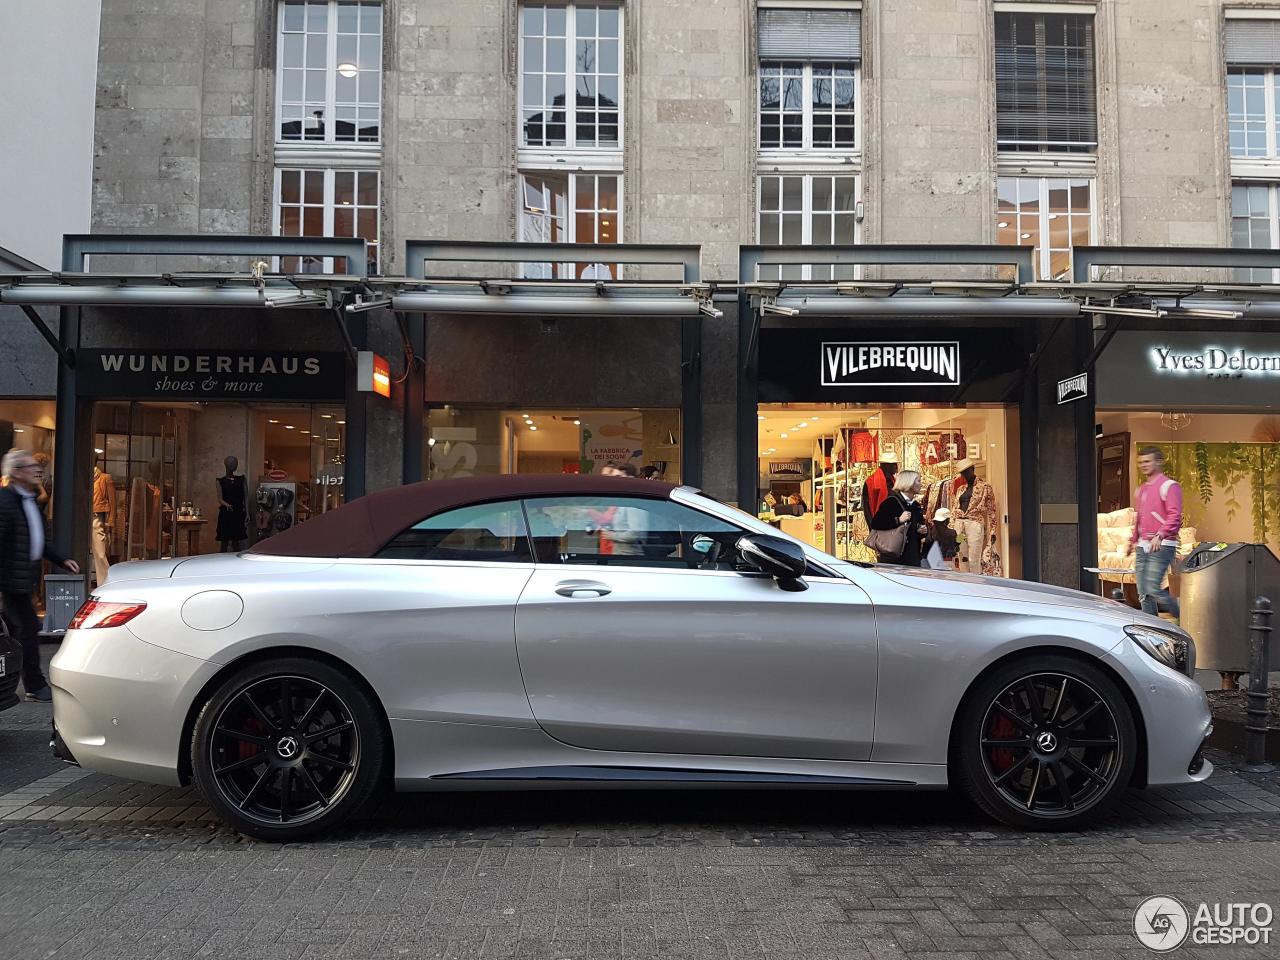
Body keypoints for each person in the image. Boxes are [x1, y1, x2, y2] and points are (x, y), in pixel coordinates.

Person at [0, 449, 80, 702]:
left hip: (24, 578)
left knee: (19, 632)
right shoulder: (5, 501)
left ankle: (19, 682)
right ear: (15, 472)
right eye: (30, 466)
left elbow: (39, 540)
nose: (37, 470)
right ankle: (35, 684)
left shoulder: (30, 500)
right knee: (28, 629)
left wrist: (62, 559)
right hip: (12, 580)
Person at [1123, 446, 1182, 621]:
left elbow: (1175, 516)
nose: (1143, 465)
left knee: (1152, 588)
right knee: (1144, 594)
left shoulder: (1169, 486)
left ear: (1158, 462)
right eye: (1141, 462)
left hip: (1162, 545)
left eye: (1147, 461)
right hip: (1143, 546)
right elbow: (1139, 517)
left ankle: (1186, 617)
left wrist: (1161, 534)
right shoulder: (1141, 490)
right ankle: (1153, 628)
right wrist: (1132, 541)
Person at [870, 469, 927, 566]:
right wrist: (898, 520)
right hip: (893, 559)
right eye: (918, 481)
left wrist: (922, 531)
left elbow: (915, 529)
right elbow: (876, 523)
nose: (921, 484)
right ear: (909, 482)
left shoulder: (916, 505)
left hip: (912, 558)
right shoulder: (891, 502)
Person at [215, 455, 249, 552]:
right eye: (231, 463)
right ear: (226, 465)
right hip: (226, 513)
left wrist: (247, 512)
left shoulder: (241, 479)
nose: (234, 465)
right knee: (224, 540)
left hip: (238, 512)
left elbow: (246, 496)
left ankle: (235, 561)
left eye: (235, 463)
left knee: (236, 540)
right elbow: (219, 498)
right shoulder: (220, 481)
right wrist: (227, 505)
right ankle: (221, 560)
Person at [91, 465, 116, 587]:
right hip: (82, 515)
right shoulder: (83, 477)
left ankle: (106, 583)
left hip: (97, 516)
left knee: (100, 552)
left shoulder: (104, 478)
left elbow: (112, 500)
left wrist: (111, 520)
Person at [861, 450, 898, 527]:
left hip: (894, 526)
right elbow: (866, 508)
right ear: (887, 465)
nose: (896, 467)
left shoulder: (894, 481)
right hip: (880, 526)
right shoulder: (870, 482)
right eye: (894, 464)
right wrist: (872, 528)